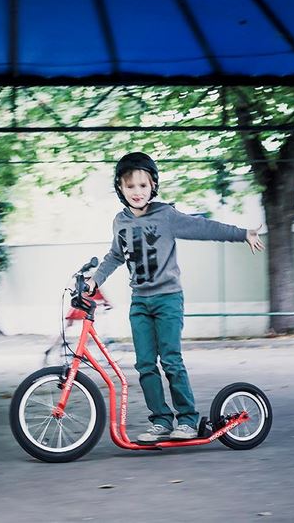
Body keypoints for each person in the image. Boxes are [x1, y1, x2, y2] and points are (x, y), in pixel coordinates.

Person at [87, 152, 265, 443]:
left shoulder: (166, 216)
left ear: (153, 186)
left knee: (170, 360)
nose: (137, 192)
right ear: (120, 187)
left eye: (143, 186)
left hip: (168, 299)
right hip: (140, 302)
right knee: (145, 364)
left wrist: (242, 233)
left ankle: (187, 420)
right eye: (130, 186)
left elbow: (204, 228)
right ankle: (161, 421)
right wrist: (96, 278)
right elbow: (115, 256)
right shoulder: (119, 222)